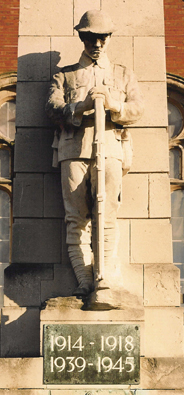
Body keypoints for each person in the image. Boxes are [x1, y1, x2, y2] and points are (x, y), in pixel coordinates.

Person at [46, 9, 144, 303]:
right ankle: (84, 280)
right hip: (73, 150)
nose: (97, 43)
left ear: (109, 38)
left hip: (111, 148)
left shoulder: (123, 73)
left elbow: (138, 108)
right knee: (76, 219)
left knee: (107, 215)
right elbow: (52, 108)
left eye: (102, 37)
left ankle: (105, 277)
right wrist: (80, 105)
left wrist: (116, 106)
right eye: (90, 37)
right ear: (82, 37)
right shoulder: (65, 75)